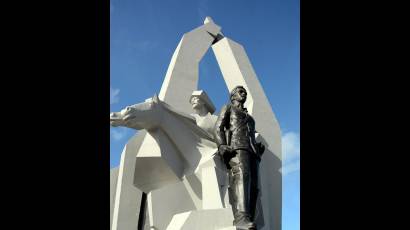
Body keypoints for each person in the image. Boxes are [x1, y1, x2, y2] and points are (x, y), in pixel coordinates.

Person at [214, 86, 265, 230]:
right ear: (233, 96)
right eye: (241, 92)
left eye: (245, 92)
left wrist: (258, 149)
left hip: (253, 152)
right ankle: (241, 219)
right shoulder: (228, 108)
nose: (244, 94)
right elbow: (218, 127)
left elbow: (251, 134)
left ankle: (250, 218)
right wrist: (222, 145)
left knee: (254, 186)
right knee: (242, 178)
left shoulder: (250, 118)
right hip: (237, 147)